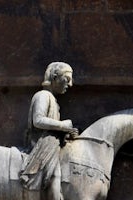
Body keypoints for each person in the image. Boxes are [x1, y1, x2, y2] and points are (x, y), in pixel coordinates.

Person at [21, 62, 79, 199]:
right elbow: (38, 120)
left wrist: (66, 133)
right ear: (54, 77)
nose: (70, 84)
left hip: (51, 146)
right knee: (55, 177)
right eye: (67, 79)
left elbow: (52, 129)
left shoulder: (53, 100)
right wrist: (63, 125)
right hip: (42, 146)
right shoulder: (43, 95)